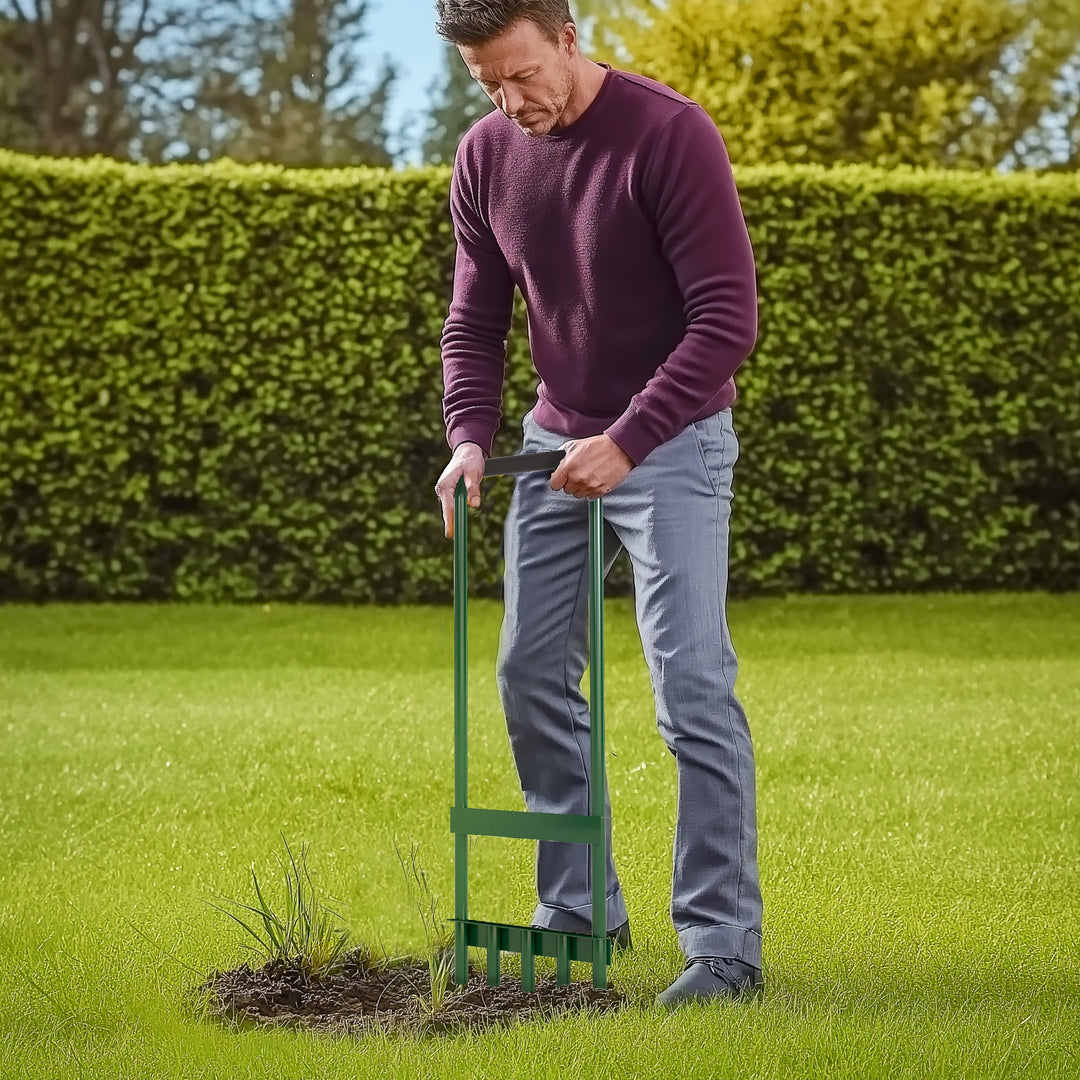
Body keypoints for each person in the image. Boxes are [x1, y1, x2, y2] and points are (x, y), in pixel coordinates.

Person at [432, 0, 764, 1010]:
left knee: (689, 684)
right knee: (528, 672)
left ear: (569, 38)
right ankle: (579, 908)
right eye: (487, 81)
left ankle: (723, 947)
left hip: (672, 441)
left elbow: (726, 318)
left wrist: (630, 438)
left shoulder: (669, 135)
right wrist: (470, 438)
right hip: (551, 441)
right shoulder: (486, 155)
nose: (509, 99)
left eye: (523, 72)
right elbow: (475, 318)